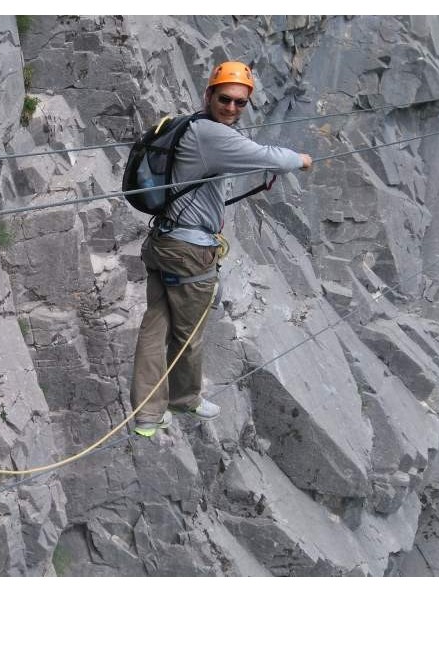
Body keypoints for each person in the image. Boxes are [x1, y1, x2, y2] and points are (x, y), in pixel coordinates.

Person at [130, 61, 313, 436]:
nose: (231, 108)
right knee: (190, 333)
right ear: (209, 95)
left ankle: (147, 414)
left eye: (240, 103)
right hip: (190, 251)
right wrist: (301, 160)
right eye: (225, 99)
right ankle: (185, 400)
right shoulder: (213, 136)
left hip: (164, 241)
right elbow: (268, 157)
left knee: (156, 325)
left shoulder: (191, 125)